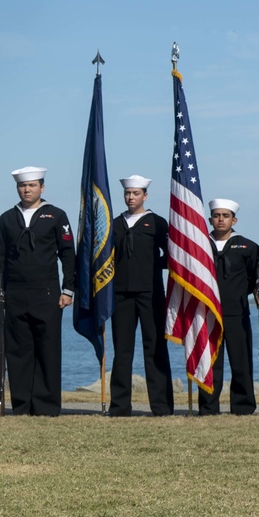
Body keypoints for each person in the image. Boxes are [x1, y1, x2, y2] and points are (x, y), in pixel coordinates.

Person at [0, 166, 75, 416]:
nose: (26, 190)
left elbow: (68, 254)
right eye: (22, 186)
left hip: (48, 293)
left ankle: (46, 406)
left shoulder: (56, 216)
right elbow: (0, 259)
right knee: (18, 351)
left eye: (31, 185)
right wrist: (0, 294)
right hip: (15, 293)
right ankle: (22, 405)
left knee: (48, 349)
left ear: (42, 187)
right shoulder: (7, 218)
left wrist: (68, 289)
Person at [107, 175, 174, 416]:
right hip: (121, 294)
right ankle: (119, 406)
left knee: (155, 348)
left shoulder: (157, 222)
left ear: (145, 195)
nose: (131, 197)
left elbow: (171, 255)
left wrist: (151, 265)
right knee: (122, 351)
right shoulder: (114, 223)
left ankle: (161, 406)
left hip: (151, 292)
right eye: (128, 193)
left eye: (136, 193)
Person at [198, 199, 259, 416]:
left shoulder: (248, 246)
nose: (220, 219)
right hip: (207, 312)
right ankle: (208, 407)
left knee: (241, 361)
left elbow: (254, 277)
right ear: (210, 219)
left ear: (234, 220)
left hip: (237, 311)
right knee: (210, 362)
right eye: (216, 215)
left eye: (225, 216)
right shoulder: (200, 244)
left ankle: (242, 406)